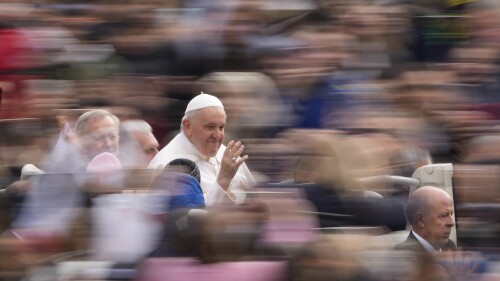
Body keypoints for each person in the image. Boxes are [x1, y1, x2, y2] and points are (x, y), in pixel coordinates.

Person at [148, 93, 256, 205]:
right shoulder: (169, 164)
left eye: (221, 127)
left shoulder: (227, 154)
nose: (217, 135)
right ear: (188, 127)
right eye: (210, 127)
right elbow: (184, 217)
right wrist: (223, 181)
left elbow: (254, 197)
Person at [396, 185, 456, 253]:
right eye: (444, 215)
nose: (451, 222)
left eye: (451, 214)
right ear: (420, 220)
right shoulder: (404, 254)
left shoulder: (448, 246)